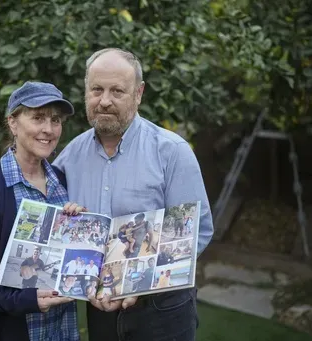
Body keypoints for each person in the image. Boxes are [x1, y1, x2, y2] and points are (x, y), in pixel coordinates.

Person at [53, 48, 214, 340]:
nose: (104, 101)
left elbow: (196, 232)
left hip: (162, 310)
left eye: (117, 91)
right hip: (99, 309)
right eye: (97, 89)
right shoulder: (69, 156)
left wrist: (137, 284)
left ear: (138, 93)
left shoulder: (172, 152)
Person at [0, 81, 86, 341]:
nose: (48, 129)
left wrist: (77, 224)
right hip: (9, 330)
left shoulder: (62, 181)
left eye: (56, 120)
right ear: (13, 123)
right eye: (38, 118)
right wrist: (22, 299)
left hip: (62, 330)